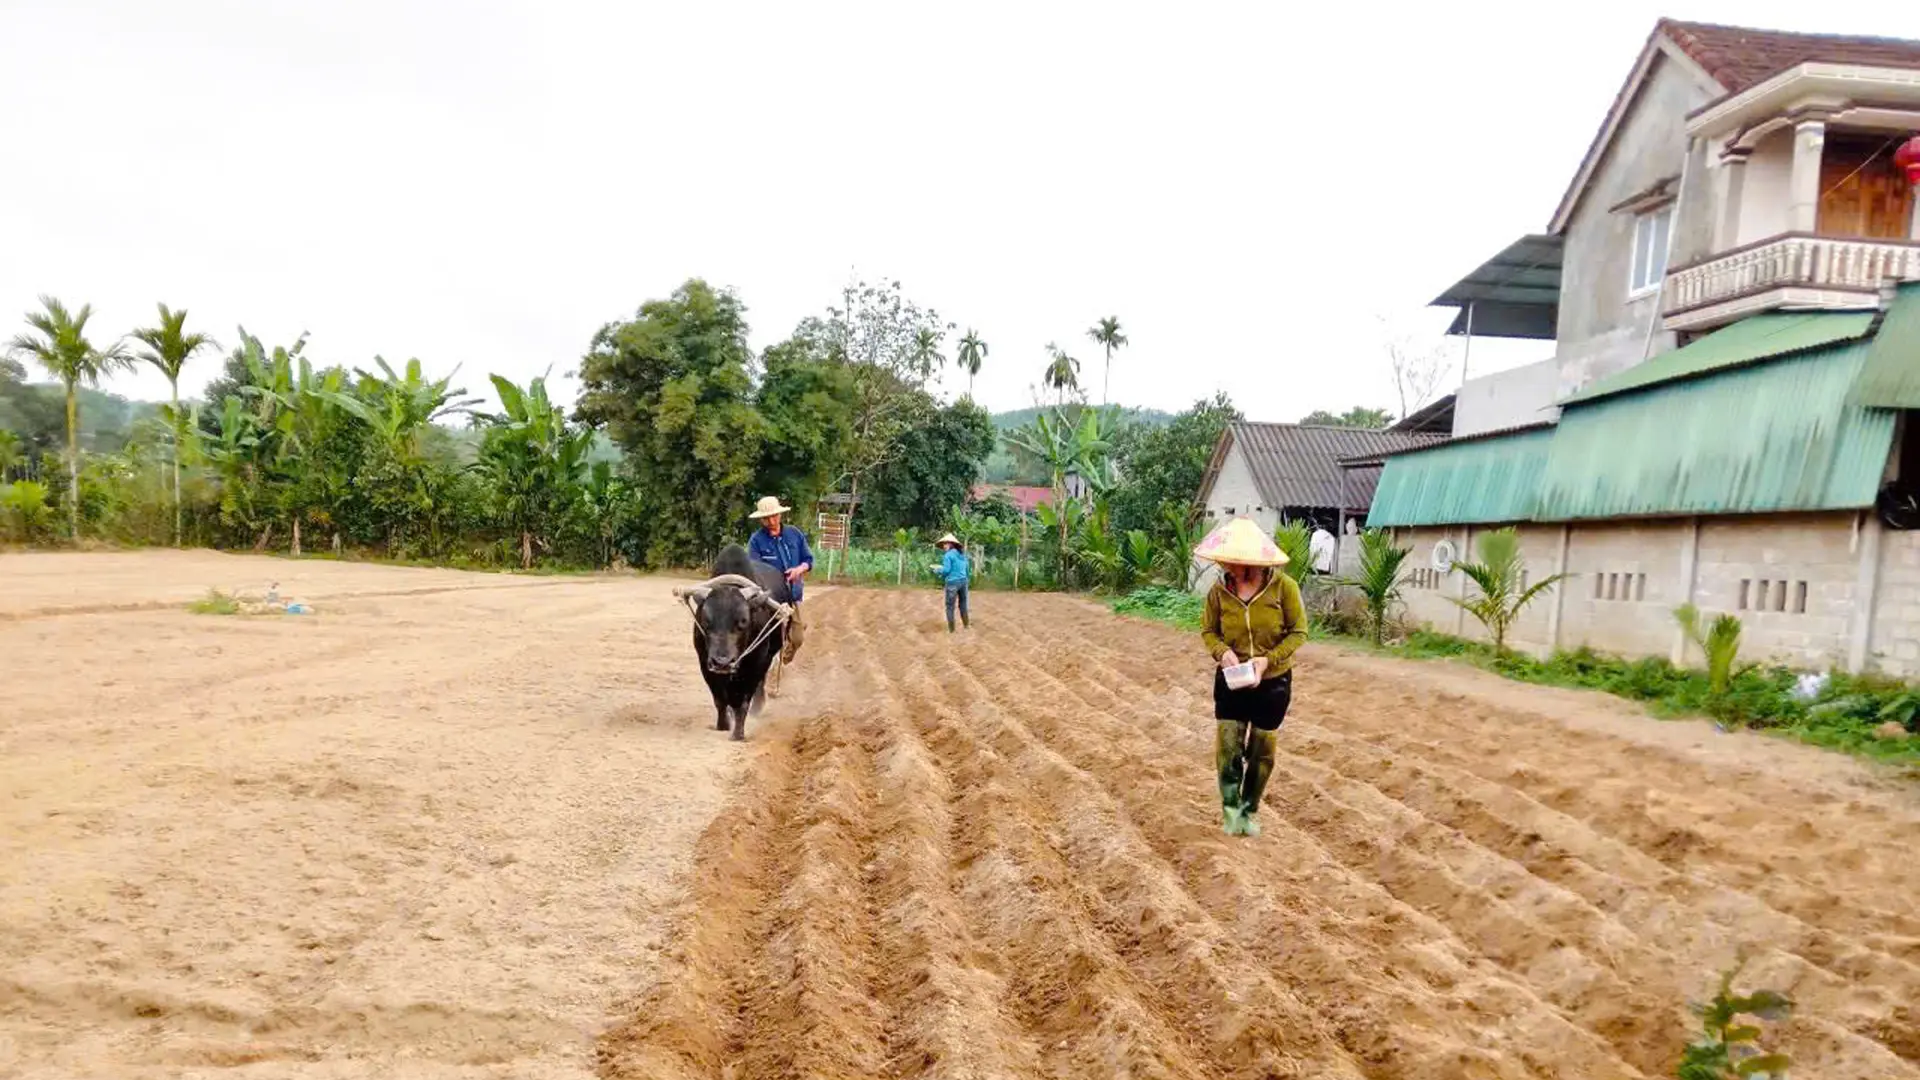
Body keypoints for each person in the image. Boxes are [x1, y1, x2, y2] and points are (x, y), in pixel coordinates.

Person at [1195, 517, 1307, 838]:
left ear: (1251, 562)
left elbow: (1299, 633)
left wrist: (1266, 661)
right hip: (1231, 680)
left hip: (1272, 683)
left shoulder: (1285, 588)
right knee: (1228, 748)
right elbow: (1208, 631)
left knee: (1261, 752)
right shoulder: (1219, 591)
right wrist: (1222, 653)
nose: (1227, 566)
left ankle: (1248, 811)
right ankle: (1231, 812)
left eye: (1233, 561)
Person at [746, 496, 813, 662]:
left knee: (798, 637)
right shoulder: (756, 540)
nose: (771, 520)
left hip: (793, 594)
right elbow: (755, 569)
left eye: (774, 516)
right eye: (766, 518)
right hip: (770, 597)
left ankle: (786, 656)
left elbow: (808, 560)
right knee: (765, 636)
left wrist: (799, 570)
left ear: (780, 515)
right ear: (761, 520)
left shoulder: (794, 534)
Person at [930, 533, 971, 632]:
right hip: (964, 581)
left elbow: (947, 570)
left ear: (951, 544)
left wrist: (937, 570)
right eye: (944, 544)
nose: (944, 546)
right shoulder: (962, 554)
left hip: (953, 582)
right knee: (963, 604)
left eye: (946, 544)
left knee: (950, 606)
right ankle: (966, 626)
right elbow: (967, 569)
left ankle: (952, 630)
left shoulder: (948, 555)